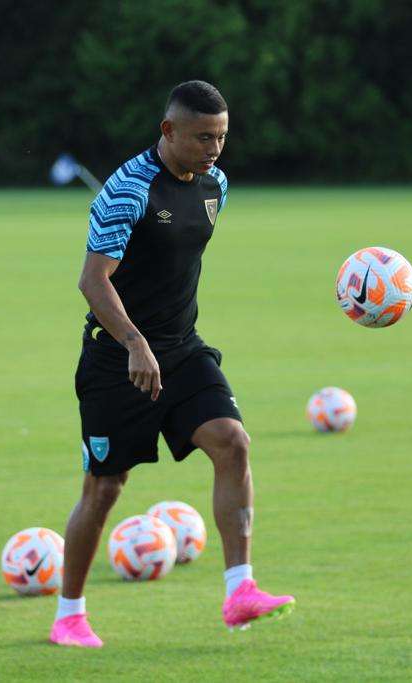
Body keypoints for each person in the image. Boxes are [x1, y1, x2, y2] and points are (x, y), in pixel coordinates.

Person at [50, 81, 295, 648]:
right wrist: (135, 342)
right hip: (118, 358)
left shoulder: (217, 185)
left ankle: (240, 592)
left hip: (182, 351)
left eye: (223, 137)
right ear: (168, 131)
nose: (215, 148)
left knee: (233, 442)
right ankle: (69, 615)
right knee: (104, 489)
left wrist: (160, 341)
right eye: (204, 137)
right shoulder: (127, 189)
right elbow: (93, 280)